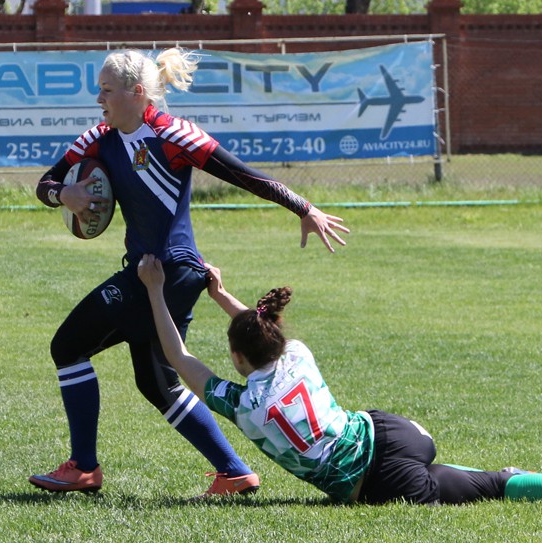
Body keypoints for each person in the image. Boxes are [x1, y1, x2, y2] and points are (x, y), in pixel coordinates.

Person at [29, 47, 349, 497]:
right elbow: (45, 182)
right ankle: (233, 473)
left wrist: (304, 207)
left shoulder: (174, 135)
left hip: (168, 272)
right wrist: (64, 195)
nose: (98, 98)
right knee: (156, 382)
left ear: (136, 92)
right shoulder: (98, 138)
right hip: (157, 272)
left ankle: (83, 467)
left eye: (106, 90)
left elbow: (245, 176)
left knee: (67, 346)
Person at [136, 256, 542, 505]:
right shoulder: (297, 353)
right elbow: (258, 329)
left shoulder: (241, 404)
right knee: (478, 475)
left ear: (235, 358)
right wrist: (220, 294)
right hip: (392, 431)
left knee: (493, 484)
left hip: (375, 481)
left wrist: (155, 290)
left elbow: (178, 356)